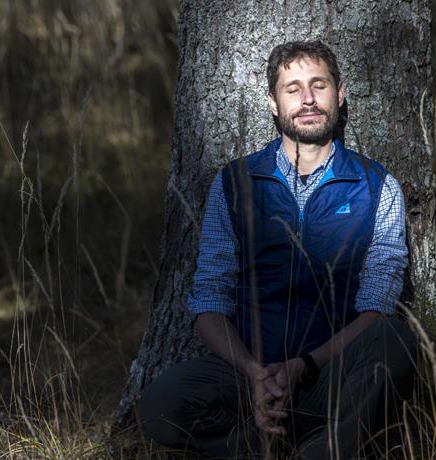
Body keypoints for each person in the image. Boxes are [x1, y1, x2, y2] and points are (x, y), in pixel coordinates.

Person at [138, 40, 418, 459]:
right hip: (249, 377)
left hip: (331, 379)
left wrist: (303, 366)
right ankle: (261, 446)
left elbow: (376, 309)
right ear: (272, 102)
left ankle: (325, 451)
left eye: (318, 85)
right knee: (161, 404)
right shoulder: (235, 183)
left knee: (396, 338)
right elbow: (210, 300)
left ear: (340, 94)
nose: (307, 99)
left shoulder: (377, 187)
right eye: (293, 88)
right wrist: (255, 374)